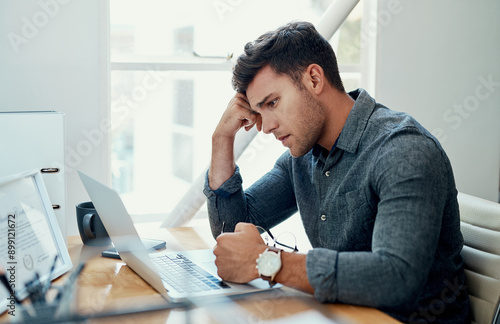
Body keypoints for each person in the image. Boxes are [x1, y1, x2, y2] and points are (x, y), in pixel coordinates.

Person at [202, 21, 470, 323]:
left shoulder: (403, 151)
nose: (266, 127)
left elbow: (396, 279)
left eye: (273, 103)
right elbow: (234, 230)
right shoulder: (303, 155)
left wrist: (269, 263)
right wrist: (221, 140)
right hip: (340, 316)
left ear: (314, 79)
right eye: (259, 113)